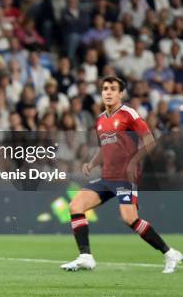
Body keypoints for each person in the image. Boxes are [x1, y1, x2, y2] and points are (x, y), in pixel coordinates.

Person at [61, 76, 182, 273]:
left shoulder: (128, 114)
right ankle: (85, 257)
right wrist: (91, 163)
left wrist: (134, 162)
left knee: (130, 218)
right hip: (107, 178)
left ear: (120, 93)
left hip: (125, 178)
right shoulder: (100, 120)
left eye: (113, 89)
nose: (108, 92)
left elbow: (150, 141)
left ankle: (170, 253)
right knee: (76, 205)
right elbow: (105, 146)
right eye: (105, 88)